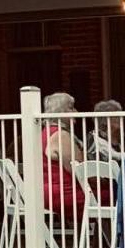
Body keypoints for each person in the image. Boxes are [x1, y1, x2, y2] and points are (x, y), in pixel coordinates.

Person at [40, 91, 85, 221]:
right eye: (71, 108)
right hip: (64, 194)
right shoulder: (61, 135)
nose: (76, 112)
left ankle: (96, 240)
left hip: (46, 193)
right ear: (60, 111)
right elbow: (79, 170)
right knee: (114, 195)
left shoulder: (44, 132)